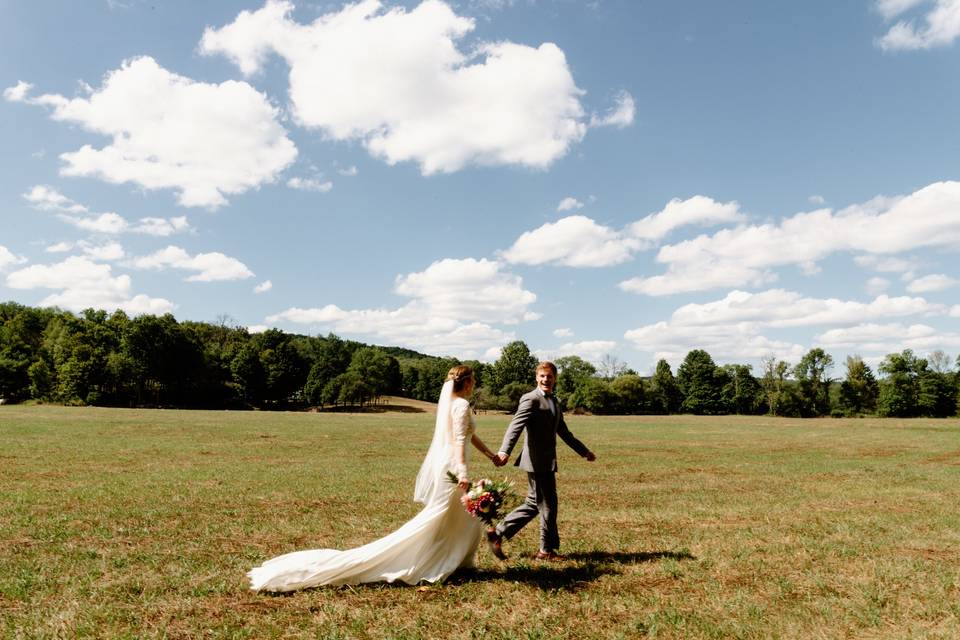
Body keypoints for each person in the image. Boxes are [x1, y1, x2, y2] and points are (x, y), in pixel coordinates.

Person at [247, 365, 503, 591]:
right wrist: (463, 472)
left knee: (463, 518)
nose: (475, 384)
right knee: (436, 517)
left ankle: (459, 561)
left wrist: (491, 454)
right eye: (474, 380)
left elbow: (468, 436)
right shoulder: (460, 405)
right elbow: (458, 439)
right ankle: (421, 560)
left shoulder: (455, 404)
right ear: (467, 382)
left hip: (453, 463)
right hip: (453, 467)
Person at [487, 361, 596, 561]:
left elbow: (563, 432)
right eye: (542, 376)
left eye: (550, 376)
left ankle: (503, 533)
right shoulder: (531, 399)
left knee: (537, 503)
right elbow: (515, 426)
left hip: (547, 461)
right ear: (537, 378)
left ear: (555, 379)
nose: (546, 379)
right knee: (546, 505)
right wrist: (504, 451)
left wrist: (584, 451)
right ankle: (544, 550)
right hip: (536, 461)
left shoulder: (554, 401)